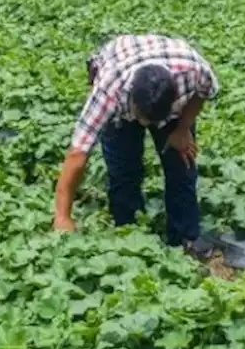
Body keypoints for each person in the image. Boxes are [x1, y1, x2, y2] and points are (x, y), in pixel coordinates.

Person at [52, 35, 219, 252]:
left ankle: (186, 236)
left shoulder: (193, 71)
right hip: (119, 76)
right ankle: (127, 235)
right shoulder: (110, 90)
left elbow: (205, 91)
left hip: (169, 96)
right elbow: (78, 152)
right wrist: (63, 216)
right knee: (123, 171)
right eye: (145, 119)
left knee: (181, 164)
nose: (151, 125)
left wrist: (182, 128)